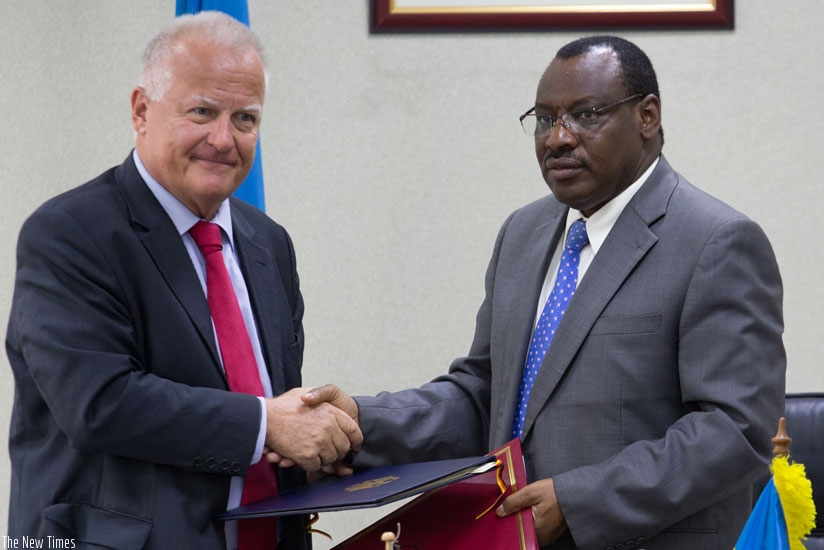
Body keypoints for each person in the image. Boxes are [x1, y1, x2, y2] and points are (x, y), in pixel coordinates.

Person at [300, 36, 786, 549]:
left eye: (585, 114)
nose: (557, 138)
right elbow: (484, 396)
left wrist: (580, 503)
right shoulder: (524, 233)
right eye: (544, 118)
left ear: (647, 116)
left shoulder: (716, 241)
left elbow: (734, 431)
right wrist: (359, 422)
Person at [6, 12, 360, 550]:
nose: (223, 139)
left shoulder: (269, 242)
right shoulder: (69, 234)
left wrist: (309, 448)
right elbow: (100, 403)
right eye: (202, 112)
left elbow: (259, 402)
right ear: (141, 111)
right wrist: (269, 427)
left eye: (244, 119)